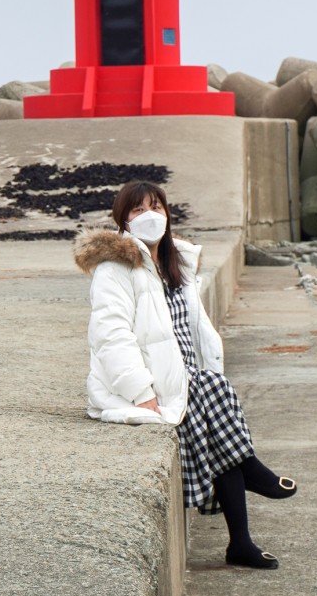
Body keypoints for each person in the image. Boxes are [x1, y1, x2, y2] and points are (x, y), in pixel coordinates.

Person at [74, 178, 297, 570]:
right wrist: (141, 391)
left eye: (155, 207)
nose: (149, 216)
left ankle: (241, 540)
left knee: (211, 401)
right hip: (142, 382)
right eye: (137, 210)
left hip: (183, 374)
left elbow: (196, 329)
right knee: (213, 392)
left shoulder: (177, 262)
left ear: (167, 214)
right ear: (122, 221)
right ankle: (251, 479)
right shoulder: (114, 268)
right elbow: (111, 336)